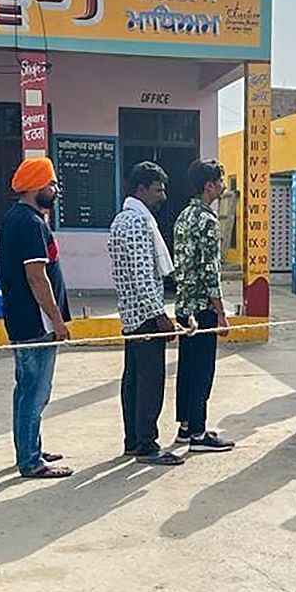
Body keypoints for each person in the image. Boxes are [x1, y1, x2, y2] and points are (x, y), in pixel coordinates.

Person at [0, 157, 74, 478]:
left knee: (26, 389)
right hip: (35, 322)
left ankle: (30, 447)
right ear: (36, 187)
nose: (55, 189)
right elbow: (36, 277)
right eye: (52, 184)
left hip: (22, 319)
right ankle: (30, 460)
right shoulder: (30, 223)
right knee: (35, 391)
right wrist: (56, 320)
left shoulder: (16, 217)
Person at [108, 161, 184, 465]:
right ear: (141, 189)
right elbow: (141, 275)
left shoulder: (121, 220)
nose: (162, 195)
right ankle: (147, 445)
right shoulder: (138, 222)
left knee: (133, 381)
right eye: (157, 189)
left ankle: (133, 441)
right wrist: (160, 315)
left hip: (130, 315)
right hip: (144, 317)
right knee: (149, 382)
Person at [173, 159, 234, 452]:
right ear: (209, 185)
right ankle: (199, 433)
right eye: (220, 181)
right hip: (202, 308)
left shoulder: (183, 216)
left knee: (186, 367)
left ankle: (185, 426)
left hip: (184, 307)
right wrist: (221, 314)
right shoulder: (207, 221)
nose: (223, 186)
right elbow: (210, 271)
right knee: (202, 370)